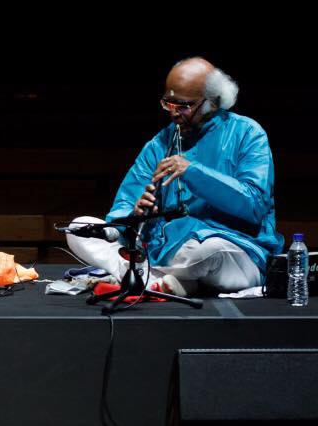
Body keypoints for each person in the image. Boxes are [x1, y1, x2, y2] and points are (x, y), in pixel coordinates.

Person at [65, 57, 281, 296]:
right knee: (79, 228)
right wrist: (135, 215)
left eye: (184, 106)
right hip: (165, 250)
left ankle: (144, 277)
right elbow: (119, 215)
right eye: (168, 104)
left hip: (233, 249)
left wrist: (192, 171)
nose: (174, 114)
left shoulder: (247, 133)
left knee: (206, 251)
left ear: (213, 102)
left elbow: (254, 205)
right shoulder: (159, 144)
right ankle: (165, 281)